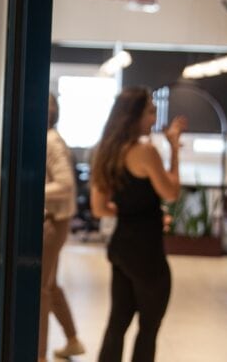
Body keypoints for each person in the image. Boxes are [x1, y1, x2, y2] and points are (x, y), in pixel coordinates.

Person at [90, 87, 187, 362]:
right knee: (148, 328)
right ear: (133, 115)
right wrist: (174, 149)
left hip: (121, 248)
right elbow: (171, 192)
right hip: (146, 252)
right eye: (150, 112)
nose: (155, 119)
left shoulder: (106, 151)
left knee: (117, 324)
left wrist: (135, 212)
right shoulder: (145, 151)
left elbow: (100, 208)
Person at [39, 94, 85, 362]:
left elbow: (65, 184)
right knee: (50, 284)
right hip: (56, 220)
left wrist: (33, 191)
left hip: (52, 222)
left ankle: (38, 355)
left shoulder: (50, 141)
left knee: (41, 290)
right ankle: (73, 341)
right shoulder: (49, 139)